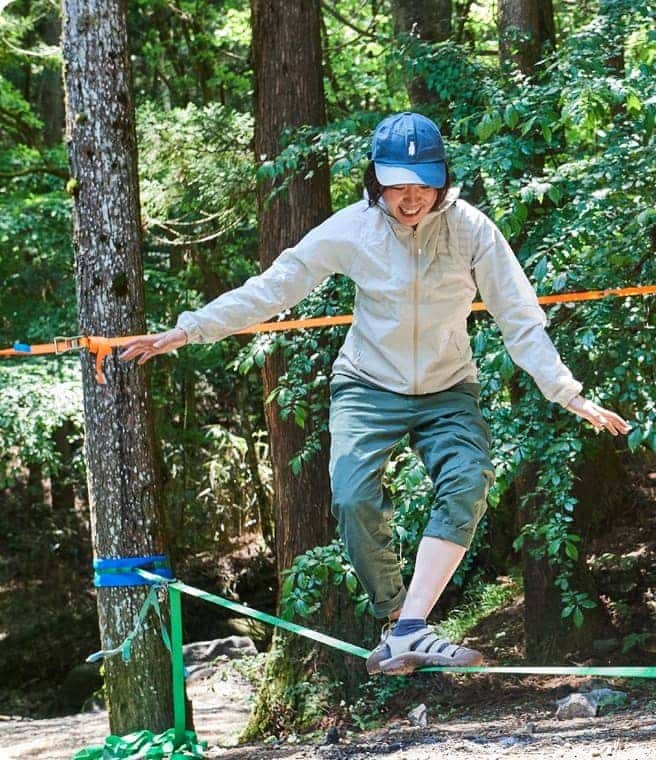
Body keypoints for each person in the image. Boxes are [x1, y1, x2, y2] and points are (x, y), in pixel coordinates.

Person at [119, 111, 629, 675]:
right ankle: (399, 621)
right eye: (397, 185)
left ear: (442, 181)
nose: (410, 199)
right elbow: (274, 287)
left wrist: (566, 391)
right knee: (353, 497)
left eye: (422, 184)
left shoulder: (471, 230)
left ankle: (411, 626)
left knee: (468, 478)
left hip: (447, 386)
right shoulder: (350, 230)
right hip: (366, 383)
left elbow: (519, 315)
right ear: (375, 182)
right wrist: (189, 329)